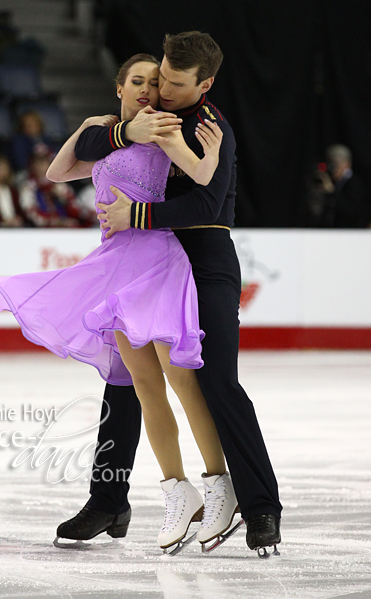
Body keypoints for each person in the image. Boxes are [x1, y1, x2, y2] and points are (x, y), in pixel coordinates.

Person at [0, 54, 239, 551]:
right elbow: (57, 171)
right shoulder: (106, 129)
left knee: (181, 380)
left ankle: (218, 484)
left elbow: (203, 178)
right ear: (119, 86)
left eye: (154, 82)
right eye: (136, 80)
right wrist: (110, 130)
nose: (146, 88)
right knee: (141, 384)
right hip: (116, 264)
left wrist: (206, 149)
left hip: (157, 260)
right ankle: (176, 491)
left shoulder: (164, 124)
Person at [55, 31, 283, 556]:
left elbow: (206, 203)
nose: (164, 89)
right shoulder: (144, 114)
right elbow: (86, 146)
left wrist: (136, 213)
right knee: (124, 380)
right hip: (145, 261)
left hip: (205, 259)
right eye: (160, 77)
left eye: (176, 84)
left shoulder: (209, 127)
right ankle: (108, 499)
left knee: (217, 381)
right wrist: (120, 134)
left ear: (203, 84)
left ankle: (260, 506)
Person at [18, 148, 94, 228]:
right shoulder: (28, 188)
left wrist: (64, 200)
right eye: (36, 162)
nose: (40, 166)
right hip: (40, 231)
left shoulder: (60, 186)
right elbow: (30, 213)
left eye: (43, 162)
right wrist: (55, 221)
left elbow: (76, 210)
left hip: (64, 228)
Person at [317, 144, 366, 228]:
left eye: (336, 164)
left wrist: (332, 191)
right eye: (331, 164)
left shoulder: (355, 184)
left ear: (346, 164)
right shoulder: (333, 182)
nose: (333, 169)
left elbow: (351, 211)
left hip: (350, 232)